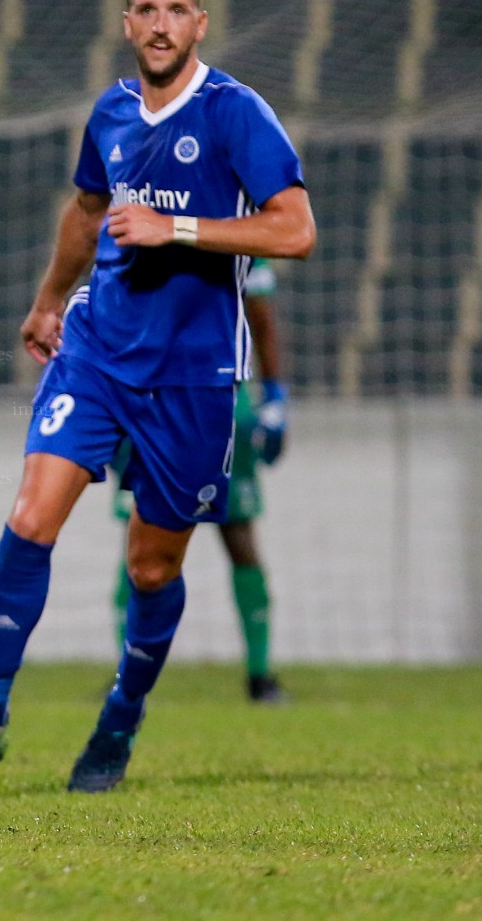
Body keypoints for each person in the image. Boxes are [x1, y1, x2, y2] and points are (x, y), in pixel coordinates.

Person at [0, 0, 315, 793]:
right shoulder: (108, 111)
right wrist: (48, 300)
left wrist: (175, 229)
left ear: (198, 25)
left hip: (194, 377)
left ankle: (120, 720)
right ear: (127, 24)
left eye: (177, 10)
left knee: (151, 569)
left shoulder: (236, 113)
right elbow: (88, 209)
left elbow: (294, 231)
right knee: (29, 518)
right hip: (95, 350)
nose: (161, 23)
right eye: (146, 9)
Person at [110, 258, 289, 703]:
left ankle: (258, 674)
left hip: (197, 402)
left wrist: (275, 398)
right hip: (168, 402)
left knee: (225, 535)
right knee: (157, 539)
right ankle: (254, 677)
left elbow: (261, 318)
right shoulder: (146, 229)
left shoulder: (234, 238)